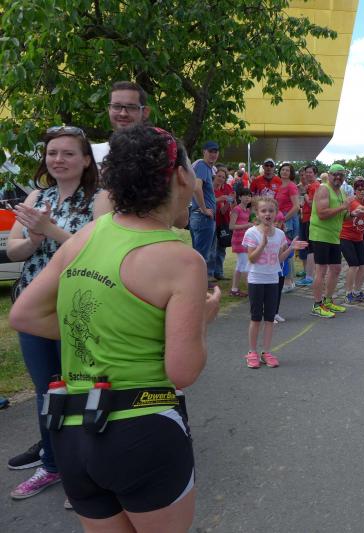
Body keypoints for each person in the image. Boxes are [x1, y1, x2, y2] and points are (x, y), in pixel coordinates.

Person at [9, 125, 221, 529]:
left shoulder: (87, 235)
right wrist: (201, 321)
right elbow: (183, 371)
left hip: (72, 430)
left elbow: (24, 315)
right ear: (180, 176)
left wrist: (99, 330)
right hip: (143, 427)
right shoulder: (181, 259)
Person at [6, 126, 112, 500]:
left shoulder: (101, 199)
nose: (58, 160)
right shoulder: (37, 196)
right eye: (52, 153)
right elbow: (14, 250)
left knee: (82, 388)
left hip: (78, 307)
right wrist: (34, 238)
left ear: (85, 160)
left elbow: (100, 254)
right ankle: (52, 465)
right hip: (34, 305)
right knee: (46, 391)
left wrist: (49, 229)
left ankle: (84, 471)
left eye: (68, 153)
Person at [242, 198, 306, 368]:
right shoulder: (251, 233)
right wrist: (262, 245)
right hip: (256, 279)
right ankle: (252, 352)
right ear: (257, 213)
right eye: (263, 211)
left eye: (271, 210)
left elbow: (279, 259)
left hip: (272, 280)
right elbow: (252, 258)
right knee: (256, 317)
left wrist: (291, 248)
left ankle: (266, 352)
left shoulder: (279, 234)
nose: (267, 214)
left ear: (276, 213)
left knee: (270, 318)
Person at [309, 164, 350, 318]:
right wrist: (343, 207)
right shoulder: (323, 189)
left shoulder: (341, 192)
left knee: (336, 268)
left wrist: (354, 214)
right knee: (321, 270)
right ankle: (317, 305)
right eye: (335, 174)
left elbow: (344, 216)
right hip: (320, 235)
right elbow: (322, 214)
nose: (338, 177)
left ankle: (328, 301)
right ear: (329, 175)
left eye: (341, 175)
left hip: (334, 236)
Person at [92, 81, 152, 165]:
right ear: (109, 109)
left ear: (145, 112)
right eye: (116, 106)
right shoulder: (91, 154)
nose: (123, 114)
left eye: (131, 107)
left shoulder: (159, 155)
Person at [190, 141, 218, 287]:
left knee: (198, 253)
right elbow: (196, 187)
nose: (213, 154)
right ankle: (199, 285)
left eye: (215, 151)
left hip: (200, 217)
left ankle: (198, 283)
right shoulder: (202, 165)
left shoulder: (207, 168)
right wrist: (204, 208)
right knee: (201, 255)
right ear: (204, 152)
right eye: (210, 151)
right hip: (202, 217)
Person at [275, 162, 300, 291]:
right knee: (283, 250)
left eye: (287, 170)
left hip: (288, 219)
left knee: (287, 251)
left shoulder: (291, 186)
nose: (284, 172)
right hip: (281, 218)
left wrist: (283, 220)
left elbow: (296, 206)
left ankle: (288, 282)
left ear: (291, 173)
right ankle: (289, 281)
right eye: (283, 169)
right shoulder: (280, 185)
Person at [297, 165, 319, 287]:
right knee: (308, 247)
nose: (308, 175)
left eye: (310, 172)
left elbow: (311, 203)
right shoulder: (311, 186)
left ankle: (309, 277)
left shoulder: (314, 186)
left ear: (315, 174)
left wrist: (304, 193)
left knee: (310, 248)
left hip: (311, 219)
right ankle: (309, 274)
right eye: (307, 173)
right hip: (306, 218)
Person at [229, 187, 254, 297]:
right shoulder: (237, 209)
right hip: (238, 240)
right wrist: (247, 225)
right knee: (244, 266)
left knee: (240, 265)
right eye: (245, 195)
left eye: (249, 196)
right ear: (239, 197)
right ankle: (252, 291)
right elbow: (231, 226)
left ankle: (234, 289)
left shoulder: (247, 210)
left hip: (245, 240)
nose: (247, 197)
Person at [211, 166, 234, 281]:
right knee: (212, 248)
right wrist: (220, 199)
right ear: (214, 176)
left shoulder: (226, 189)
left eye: (223, 177)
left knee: (221, 248)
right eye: (219, 176)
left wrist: (229, 202)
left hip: (223, 222)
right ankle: (209, 273)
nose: (220, 178)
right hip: (211, 222)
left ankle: (218, 272)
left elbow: (223, 210)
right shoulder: (209, 189)